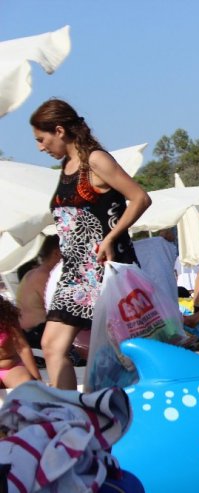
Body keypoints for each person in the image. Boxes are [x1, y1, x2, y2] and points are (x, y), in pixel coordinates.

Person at [31, 99, 152, 389]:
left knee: (125, 350)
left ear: (59, 130)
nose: (40, 147)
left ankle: (140, 407)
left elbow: (140, 198)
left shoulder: (95, 160)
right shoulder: (66, 166)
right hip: (74, 274)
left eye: (41, 139)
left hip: (104, 270)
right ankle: (71, 416)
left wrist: (111, 237)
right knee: (51, 345)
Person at [16, 235, 61, 348]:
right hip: (39, 334)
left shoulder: (30, 273)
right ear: (56, 253)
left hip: (30, 334)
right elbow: (59, 309)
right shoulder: (45, 276)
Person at [0, 296, 43, 388]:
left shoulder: (6, 316)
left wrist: (38, 379)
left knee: (27, 385)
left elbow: (23, 348)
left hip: (11, 368)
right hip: (7, 364)